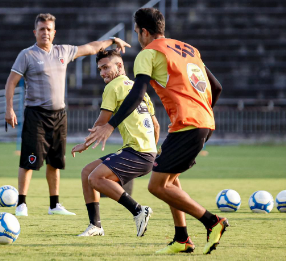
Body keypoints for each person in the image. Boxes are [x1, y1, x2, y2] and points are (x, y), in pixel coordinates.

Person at [84, 8, 225, 255]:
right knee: (170, 178)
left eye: (137, 31)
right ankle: (182, 238)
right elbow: (217, 87)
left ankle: (212, 222)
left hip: (187, 125)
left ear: (144, 32)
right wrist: (202, 112)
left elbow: (137, 93)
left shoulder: (147, 53)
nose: (138, 36)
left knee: (156, 187)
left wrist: (110, 125)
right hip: (201, 122)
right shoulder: (188, 49)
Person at [5, 13, 130, 217]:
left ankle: (54, 205)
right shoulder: (27, 55)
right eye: (42, 29)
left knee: (56, 162)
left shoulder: (63, 51)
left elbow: (91, 47)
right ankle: (22, 204)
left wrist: (113, 41)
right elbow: (11, 82)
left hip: (59, 115)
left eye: (49, 29)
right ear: (35, 32)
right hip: (35, 115)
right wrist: (9, 108)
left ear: (54, 33)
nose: (45, 32)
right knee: (29, 161)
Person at [71, 49, 160, 237]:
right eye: (100, 69)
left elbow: (101, 123)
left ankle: (138, 210)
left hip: (137, 153)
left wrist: (84, 145)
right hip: (144, 152)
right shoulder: (139, 89)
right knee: (87, 172)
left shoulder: (113, 87)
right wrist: (152, 151)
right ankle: (96, 225)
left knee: (95, 178)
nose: (102, 73)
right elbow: (156, 126)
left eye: (105, 67)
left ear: (119, 65)